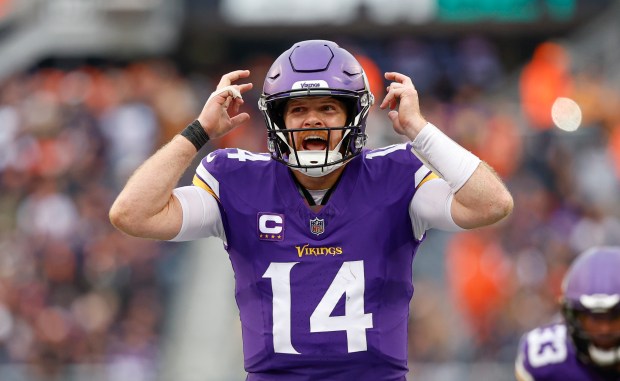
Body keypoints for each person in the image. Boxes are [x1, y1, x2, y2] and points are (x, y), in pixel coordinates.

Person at [109, 40, 513, 380]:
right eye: (298, 110)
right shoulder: (237, 180)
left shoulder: (396, 175)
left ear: (353, 116)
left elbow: (492, 203)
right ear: (277, 120)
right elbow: (132, 214)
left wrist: (421, 130)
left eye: (327, 108)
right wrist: (198, 131)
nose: (312, 121)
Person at [515, 246, 620, 381]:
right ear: (573, 317)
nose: (604, 329)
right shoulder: (547, 359)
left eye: (615, 316)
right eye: (595, 318)